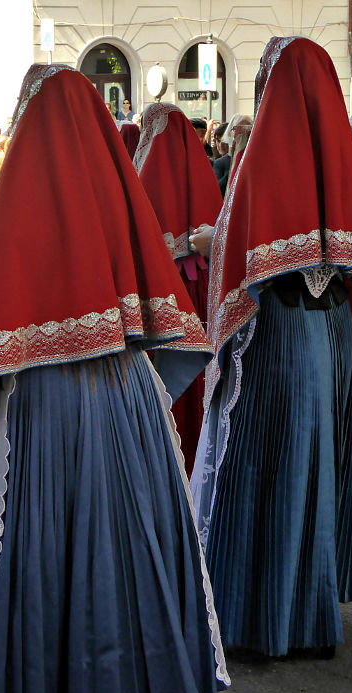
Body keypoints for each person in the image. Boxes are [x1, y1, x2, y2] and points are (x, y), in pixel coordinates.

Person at [0, 64, 227, 693]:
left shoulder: (10, 202)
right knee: (121, 542)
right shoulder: (117, 189)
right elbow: (162, 306)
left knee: (42, 544)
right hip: (121, 391)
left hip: (40, 402)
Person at [191, 37, 352, 659]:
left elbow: (236, 269)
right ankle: (312, 615)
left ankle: (258, 615)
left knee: (267, 457)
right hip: (333, 329)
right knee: (319, 459)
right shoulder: (345, 155)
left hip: (279, 332)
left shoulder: (262, 156)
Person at [133, 102, 223, 474]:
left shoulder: (142, 180)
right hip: (201, 293)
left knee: (164, 383)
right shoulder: (205, 179)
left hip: (160, 298)